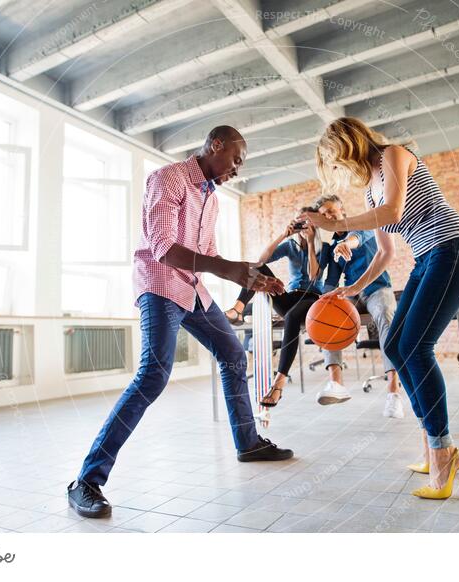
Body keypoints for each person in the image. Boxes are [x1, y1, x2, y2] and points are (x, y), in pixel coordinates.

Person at [68, 126, 293, 519]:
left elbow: (207, 256)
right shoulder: (168, 178)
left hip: (192, 290)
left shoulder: (212, 199)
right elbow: (165, 249)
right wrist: (229, 269)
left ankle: (249, 443)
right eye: (236, 159)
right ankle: (86, 480)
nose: (238, 169)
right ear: (215, 145)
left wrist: (251, 277)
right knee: (154, 374)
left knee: (234, 354)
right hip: (159, 284)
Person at [300, 117, 459, 500]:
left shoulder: (394, 155)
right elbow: (385, 252)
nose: (338, 170)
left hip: (454, 249)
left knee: (416, 348)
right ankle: (434, 448)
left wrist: (338, 226)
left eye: (334, 160)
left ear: (347, 146)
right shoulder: (369, 192)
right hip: (428, 258)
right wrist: (354, 287)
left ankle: (443, 455)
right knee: (397, 347)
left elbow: (395, 212)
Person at [313, 194, 404, 418]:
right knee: (327, 313)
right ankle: (336, 383)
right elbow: (331, 282)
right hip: (351, 293)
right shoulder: (333, 244)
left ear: (342, 209)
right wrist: (322, 301)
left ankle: (394, 393)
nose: (328, 216)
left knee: (385, 315)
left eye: (331, 211)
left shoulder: (363, 224)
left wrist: (346, 244)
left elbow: (356, 238)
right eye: (323, 215)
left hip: (377, 288)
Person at [225, 209, 323, 407]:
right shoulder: (290, 246)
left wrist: (311, 242)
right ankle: (238, 309)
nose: (302, 227)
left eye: (306, 222)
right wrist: (283, 235)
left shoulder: (325, 247)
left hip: (312, 300)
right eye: (299, 222)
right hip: (289, 298)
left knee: (293, 316)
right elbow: (260, 261)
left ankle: (279, 383)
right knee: (255, 268)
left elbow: (314, 276)